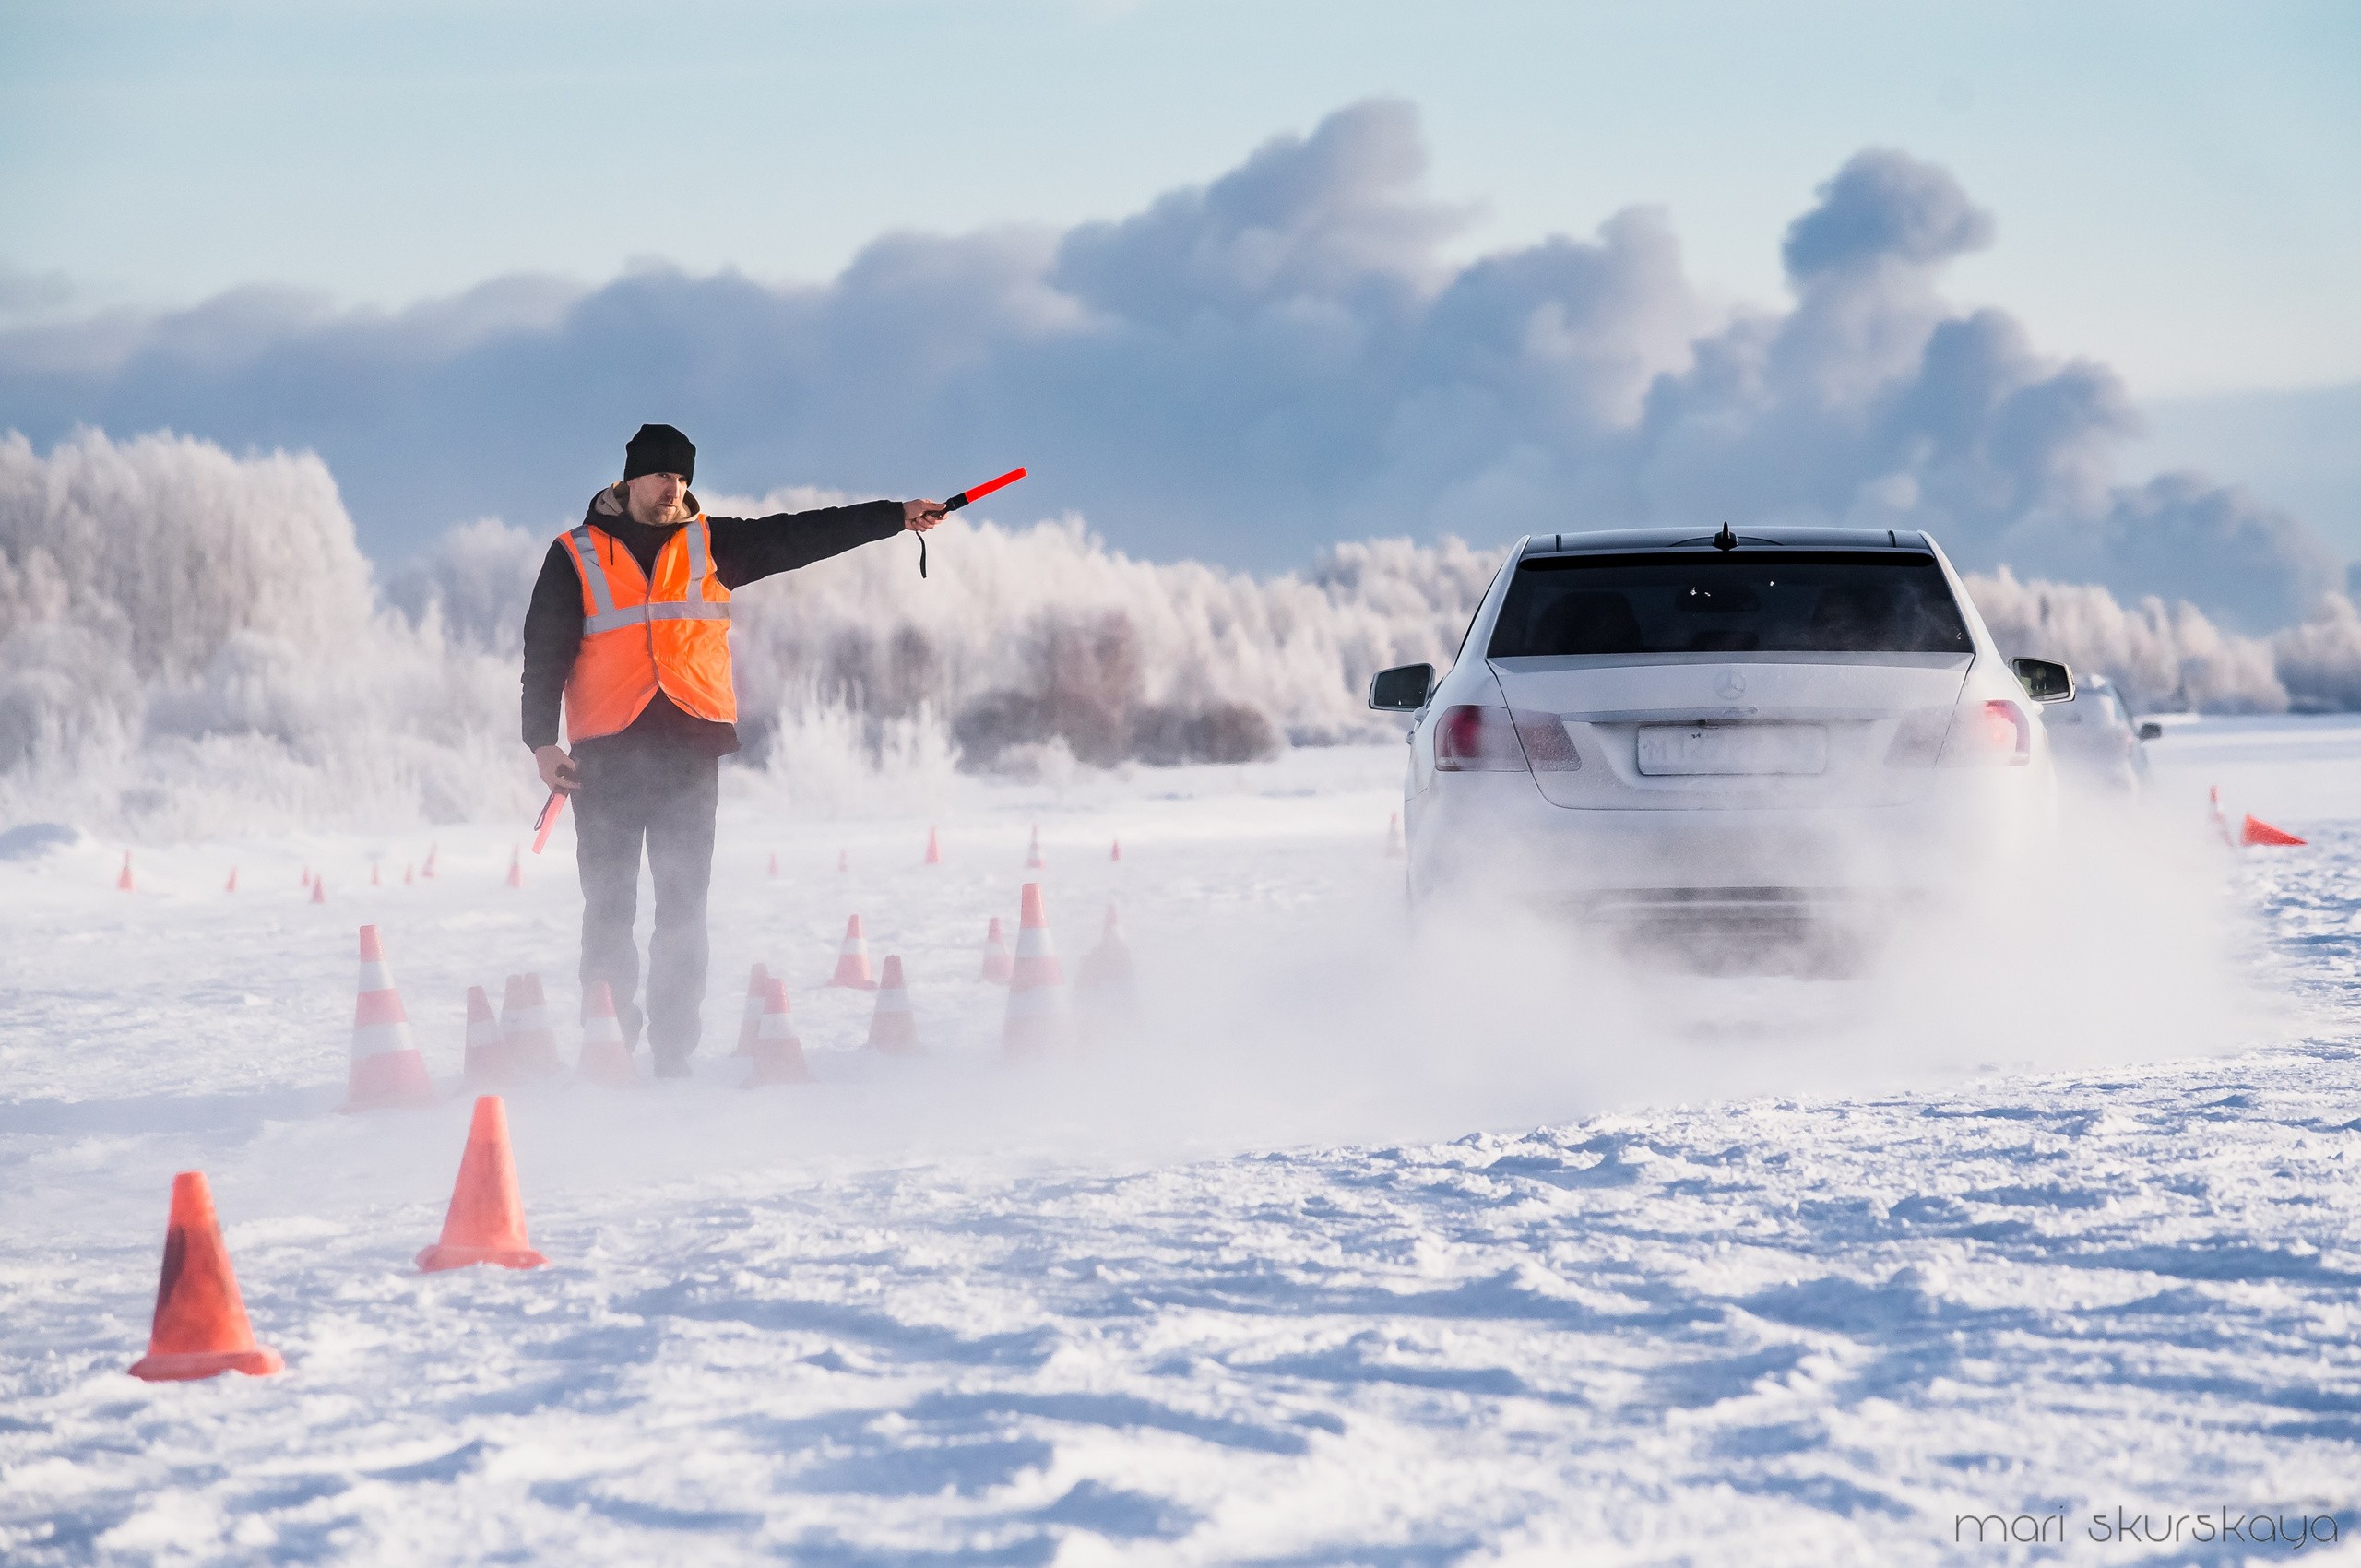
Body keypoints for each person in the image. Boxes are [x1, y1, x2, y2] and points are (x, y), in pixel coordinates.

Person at [521, 423, 942, 1076]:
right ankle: (609, 1041)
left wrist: (893, 517)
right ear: (629, 479)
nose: (673, 488)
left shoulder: (715, 544)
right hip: (601, 760)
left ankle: (673, 1053)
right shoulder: (574, 555)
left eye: (683, 477)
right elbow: (543, 652)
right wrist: (541, 742)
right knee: (608, 909)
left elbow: (805, 533)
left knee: (683, 909)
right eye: (661, 476)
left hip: (689, 755)